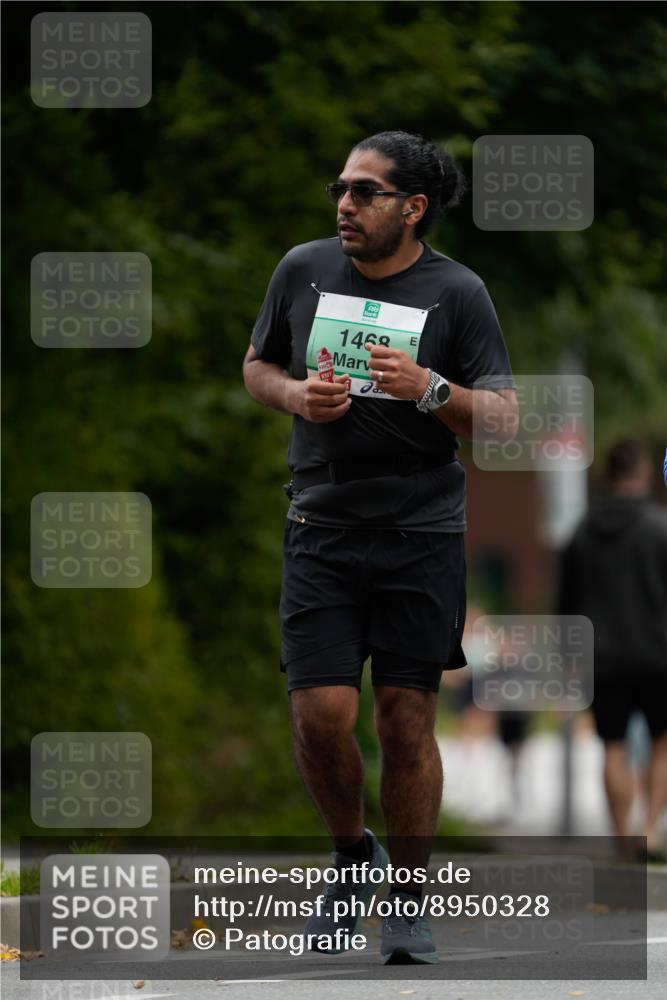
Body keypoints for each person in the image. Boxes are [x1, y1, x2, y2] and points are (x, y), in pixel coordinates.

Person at [242, 131, 517, 963]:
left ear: (412, 206)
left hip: (420, 534)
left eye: (364, 192)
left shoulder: (457, 292)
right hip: (320, 527)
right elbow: (257, 365)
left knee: (405, 723)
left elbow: (503, 417)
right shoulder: (301, 268)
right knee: (322, 716)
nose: (344, 205)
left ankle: (407, 895)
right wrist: (294, 394)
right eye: (340, 189)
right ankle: (350, 857)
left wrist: (430, 389)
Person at [558, 439, 667, 860]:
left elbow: (565, 603)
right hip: (658, 655)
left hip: (600, 660)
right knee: (662, 741)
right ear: (641, 474)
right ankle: (651, 828)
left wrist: (569, 660)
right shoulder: (660, 527)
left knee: (613, 746)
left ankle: (624, 841)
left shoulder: (581, 532)